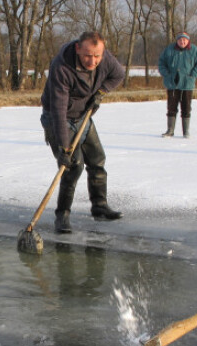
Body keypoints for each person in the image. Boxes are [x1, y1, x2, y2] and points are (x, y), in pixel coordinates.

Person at [41, 31, 126, 234]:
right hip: (58, 119)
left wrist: (100, 93)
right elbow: (59, 110)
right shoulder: (62, 67)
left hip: (83, 116)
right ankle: (62, 215)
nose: (93, 61)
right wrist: (63, 147)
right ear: (78, 49)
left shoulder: (105, 59)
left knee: (97, 159)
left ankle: (99, 206)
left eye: (97, 56)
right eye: (88, 55)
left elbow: (118, 74)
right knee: (73, 166)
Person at [157, 32, 197, 138]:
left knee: (186, 108)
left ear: (188, 40)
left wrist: (193, 74)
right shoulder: (169, 50)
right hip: (172, 84)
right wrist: (166, 74)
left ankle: (186, 131)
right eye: (180, 40)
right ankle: (170, 130)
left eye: (184, 40)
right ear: (177, 41)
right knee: (171, 108)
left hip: (187, 84)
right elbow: (161, 63)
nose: (182, 42)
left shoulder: (194, 50)